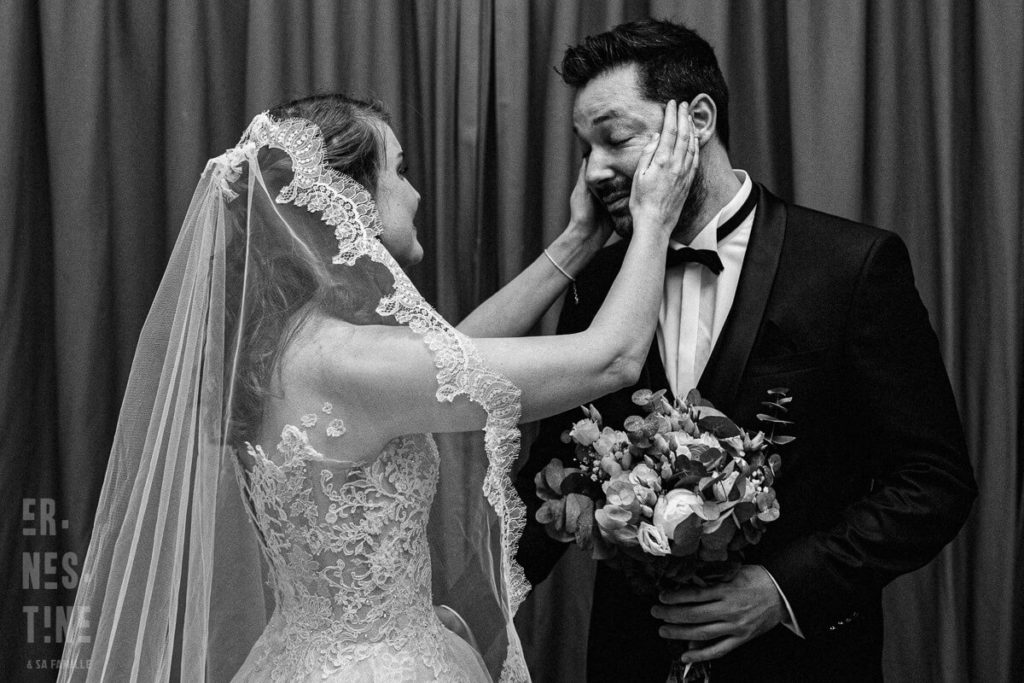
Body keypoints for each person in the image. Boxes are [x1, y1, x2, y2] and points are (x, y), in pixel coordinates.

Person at [57, 92, 697, 682]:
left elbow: (448, 364)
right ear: (350, 196)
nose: (416, 193)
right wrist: (654, 218)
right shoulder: (343, 359)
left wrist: (578, 240)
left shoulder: (291, 342)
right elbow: (611, 360)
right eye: (400, 169)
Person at [514, 19, 977, 682]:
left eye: (614, 138)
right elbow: (555, 462)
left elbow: (935, 482)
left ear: (697, 118)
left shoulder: (849, 266)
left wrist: (782, 588)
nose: (593, 170)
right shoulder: (599, 280)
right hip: (633, 656)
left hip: (800, 661)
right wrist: (457, 604)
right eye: (585, 147)